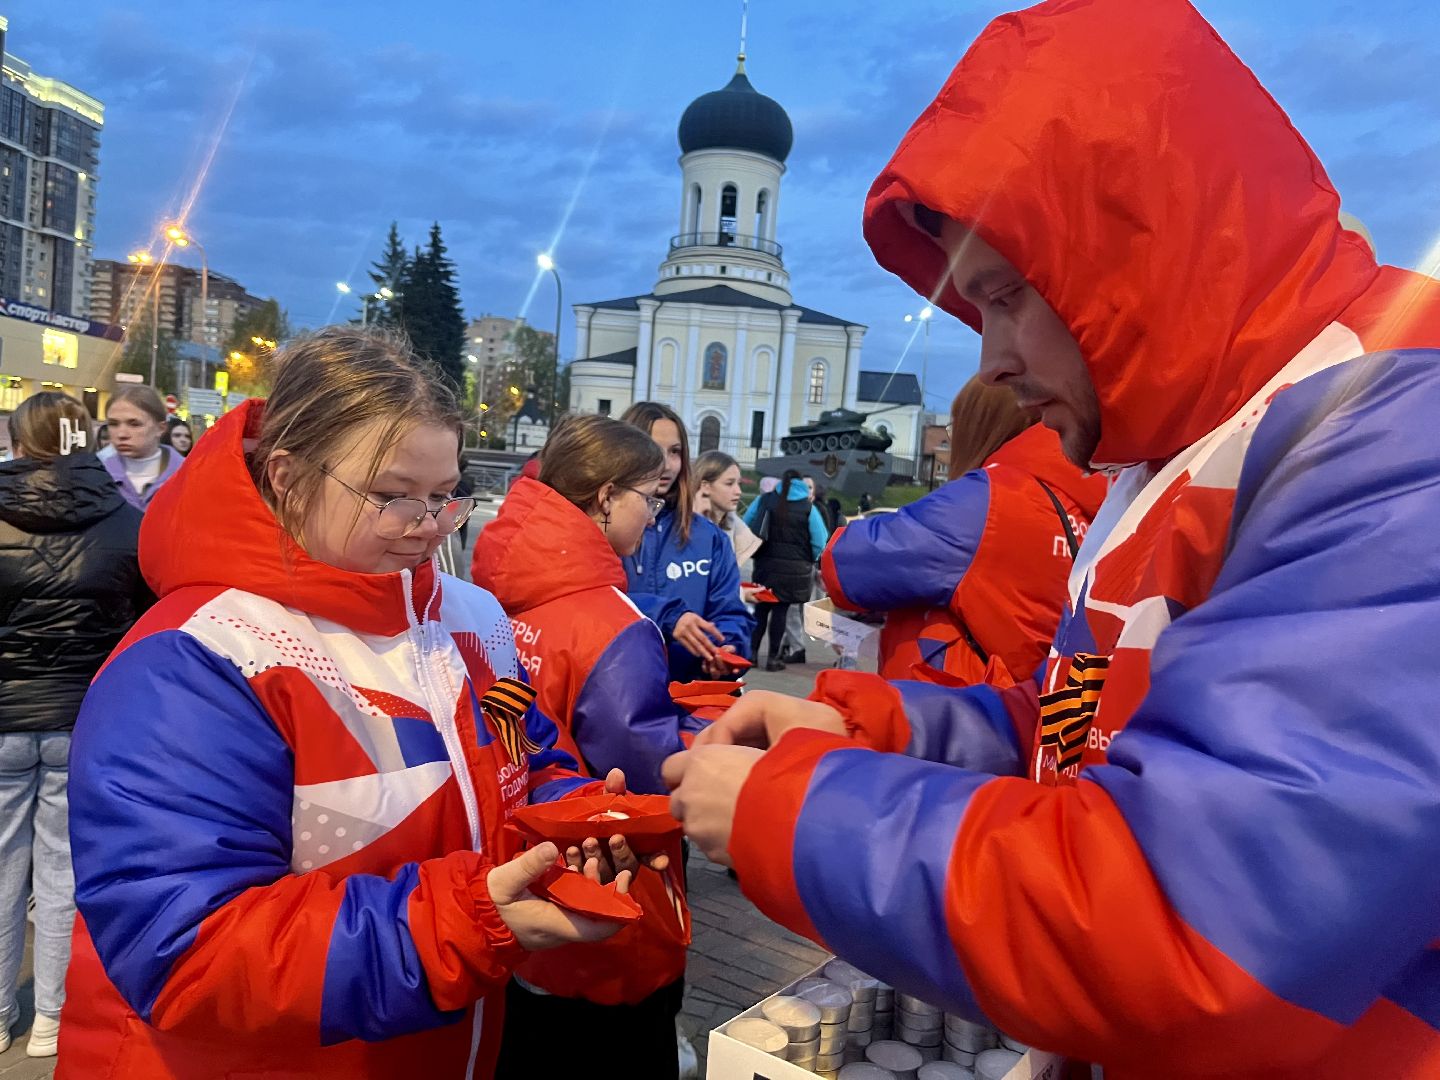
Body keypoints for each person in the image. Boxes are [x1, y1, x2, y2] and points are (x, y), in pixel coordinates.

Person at [663, 0, 1440, 1074]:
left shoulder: (1394, 440)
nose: (988, 363)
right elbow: (1089, 728)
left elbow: (1194, 924)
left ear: (1136, 247)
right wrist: (862, 732)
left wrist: (788, 813)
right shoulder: (1185, 452)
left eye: (1006, 297)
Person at [60, 328, 652, 1079]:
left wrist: (579, 818)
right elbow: (188, 950)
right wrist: (468, 922)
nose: (430, 525)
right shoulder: (200, 658)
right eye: (392, 496)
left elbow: (525, 753)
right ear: (287, 475)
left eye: (445, 496)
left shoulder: (472, 621)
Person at [473, 413, 702, 1079]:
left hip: (514, 881)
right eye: (651, 498)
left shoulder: (492, 596)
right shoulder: (612, 623)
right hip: (609, 899)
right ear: (606, 498)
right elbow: (647, 774)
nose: (655, 516)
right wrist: (702, 735)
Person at [0, 393, 147, 1058]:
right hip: (81, 720)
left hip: (2, 718)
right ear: (84, 435)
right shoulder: (128, 520)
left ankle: (2, 1012)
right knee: (65, 874)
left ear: (19, 438)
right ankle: (54, 1018)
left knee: (3, 871)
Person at [821, 376, 1106, 685]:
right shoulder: (1087, 502)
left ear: (984, 427)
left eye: (956, 428)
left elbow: (847, 564)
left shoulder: (990, 499)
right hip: (1027, 700)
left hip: (948, 704)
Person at [620, 402, 753, 681]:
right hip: (617, 696)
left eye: (675, 452)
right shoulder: (604, 529)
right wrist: (666, 616)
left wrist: (728, 645)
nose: (667, 464)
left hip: (689, 702)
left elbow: (730, 612)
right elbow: (589, 603)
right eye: (655, 450)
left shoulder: (710, 538)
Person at [742, 469, 827, 672]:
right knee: (780, 612)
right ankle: (773, 659)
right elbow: (820, 540)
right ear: (800, 483)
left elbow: (745, 523)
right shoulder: (808, 507)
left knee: (761, 610)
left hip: (765, 565)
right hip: (794, 569)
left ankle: (752, 655)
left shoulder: (765, 500)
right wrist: (810, 558)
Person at [97, 386, 183, 510]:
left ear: (161, 428)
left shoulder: (189, 476)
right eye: (113, 424)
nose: (121, 434)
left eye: (134, 424)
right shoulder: (96, 475)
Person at [693, 450, 762, 569]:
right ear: (705, 486)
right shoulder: (678, 525)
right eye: (729, 484)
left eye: (739, 483)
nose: (738, 491)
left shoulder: (734, 526)